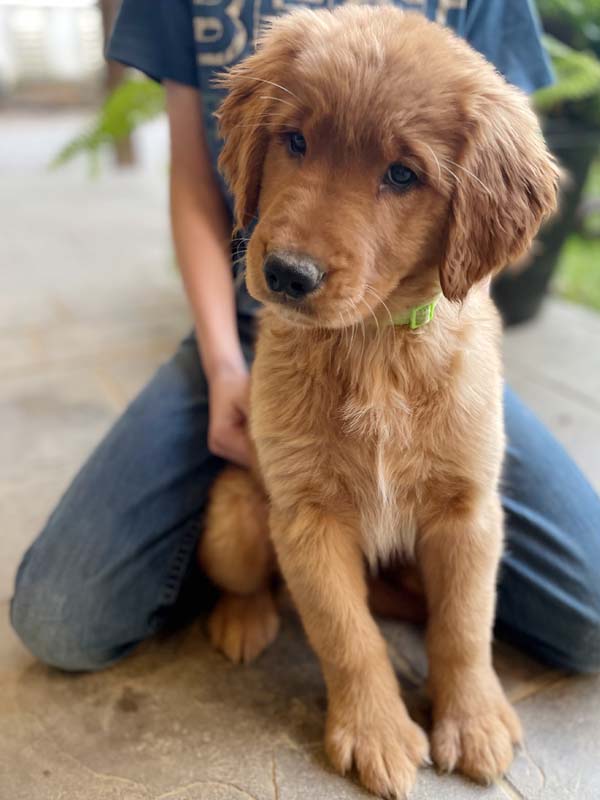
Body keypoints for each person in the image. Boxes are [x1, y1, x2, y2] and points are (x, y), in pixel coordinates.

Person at [10, 0, 600, 674]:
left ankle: (365, 579)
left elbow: (487, 217)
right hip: (249, 323)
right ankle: (284, 573)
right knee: (61, 618)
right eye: (295, 140)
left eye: (401, 174)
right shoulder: (279, 56)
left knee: (589, 620)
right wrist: (224, 365)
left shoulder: (482, 90)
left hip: (424, 316)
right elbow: (194, 177)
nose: (306, 242)